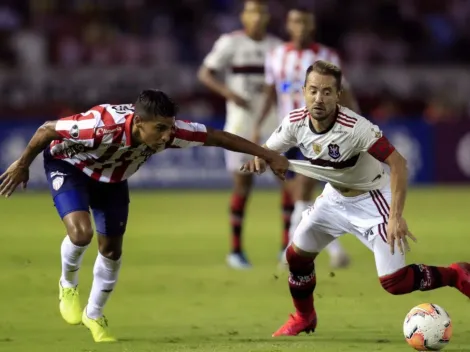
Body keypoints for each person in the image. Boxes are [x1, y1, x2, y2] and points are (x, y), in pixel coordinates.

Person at [0, 89, 289, 343]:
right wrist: (23, 164)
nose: (166, 137)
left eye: (169, 128)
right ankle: (68, 284)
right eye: (160, 129)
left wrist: (267, 154)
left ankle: (94, 314)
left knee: (111, 250)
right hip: (70, 166)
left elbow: (217, 136)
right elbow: (47, 129)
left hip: (112, 179)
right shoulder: (99, 125)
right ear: (139, 122)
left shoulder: (170, 133)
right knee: (81, 233)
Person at [241, 61, 470, 337]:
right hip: (334, 199)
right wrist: (259, 161)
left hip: (373, 199)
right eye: (313, 90)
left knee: (394, 283)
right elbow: (266, 151)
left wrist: (395, 216)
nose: (319, 98)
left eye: (327, 92)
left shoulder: (356, 127)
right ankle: (304, 317)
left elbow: (398, 164)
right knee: (296, 256)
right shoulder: (294, 122)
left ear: (338, 95)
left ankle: (456, 274)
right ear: (303, 91)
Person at [254, 7, 360, 268]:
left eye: (304, 22)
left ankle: (289, 253)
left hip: (317, 131)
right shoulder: (276, 56)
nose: (300, 26)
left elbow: (343, 92)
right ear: (288, 25)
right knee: (297, 196)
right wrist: (257, 125)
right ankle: (335, 250)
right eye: (295, 21)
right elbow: (270, 93)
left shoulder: (326, 56)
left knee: (301, 193)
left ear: (311, 26)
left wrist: (358, 122)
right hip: (285, 132)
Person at [198, 0, 286, 269]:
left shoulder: (277, 47)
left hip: (274, 125)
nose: (256, 17)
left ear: (267, 16)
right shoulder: (230, 43)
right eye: (251, 12)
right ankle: (236, 251)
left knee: (288, 183)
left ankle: (287, 247)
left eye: (260, 11)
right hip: (240, 126)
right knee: (242, 186)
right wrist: (229, 93)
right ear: (243, 16)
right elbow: (205, 73)